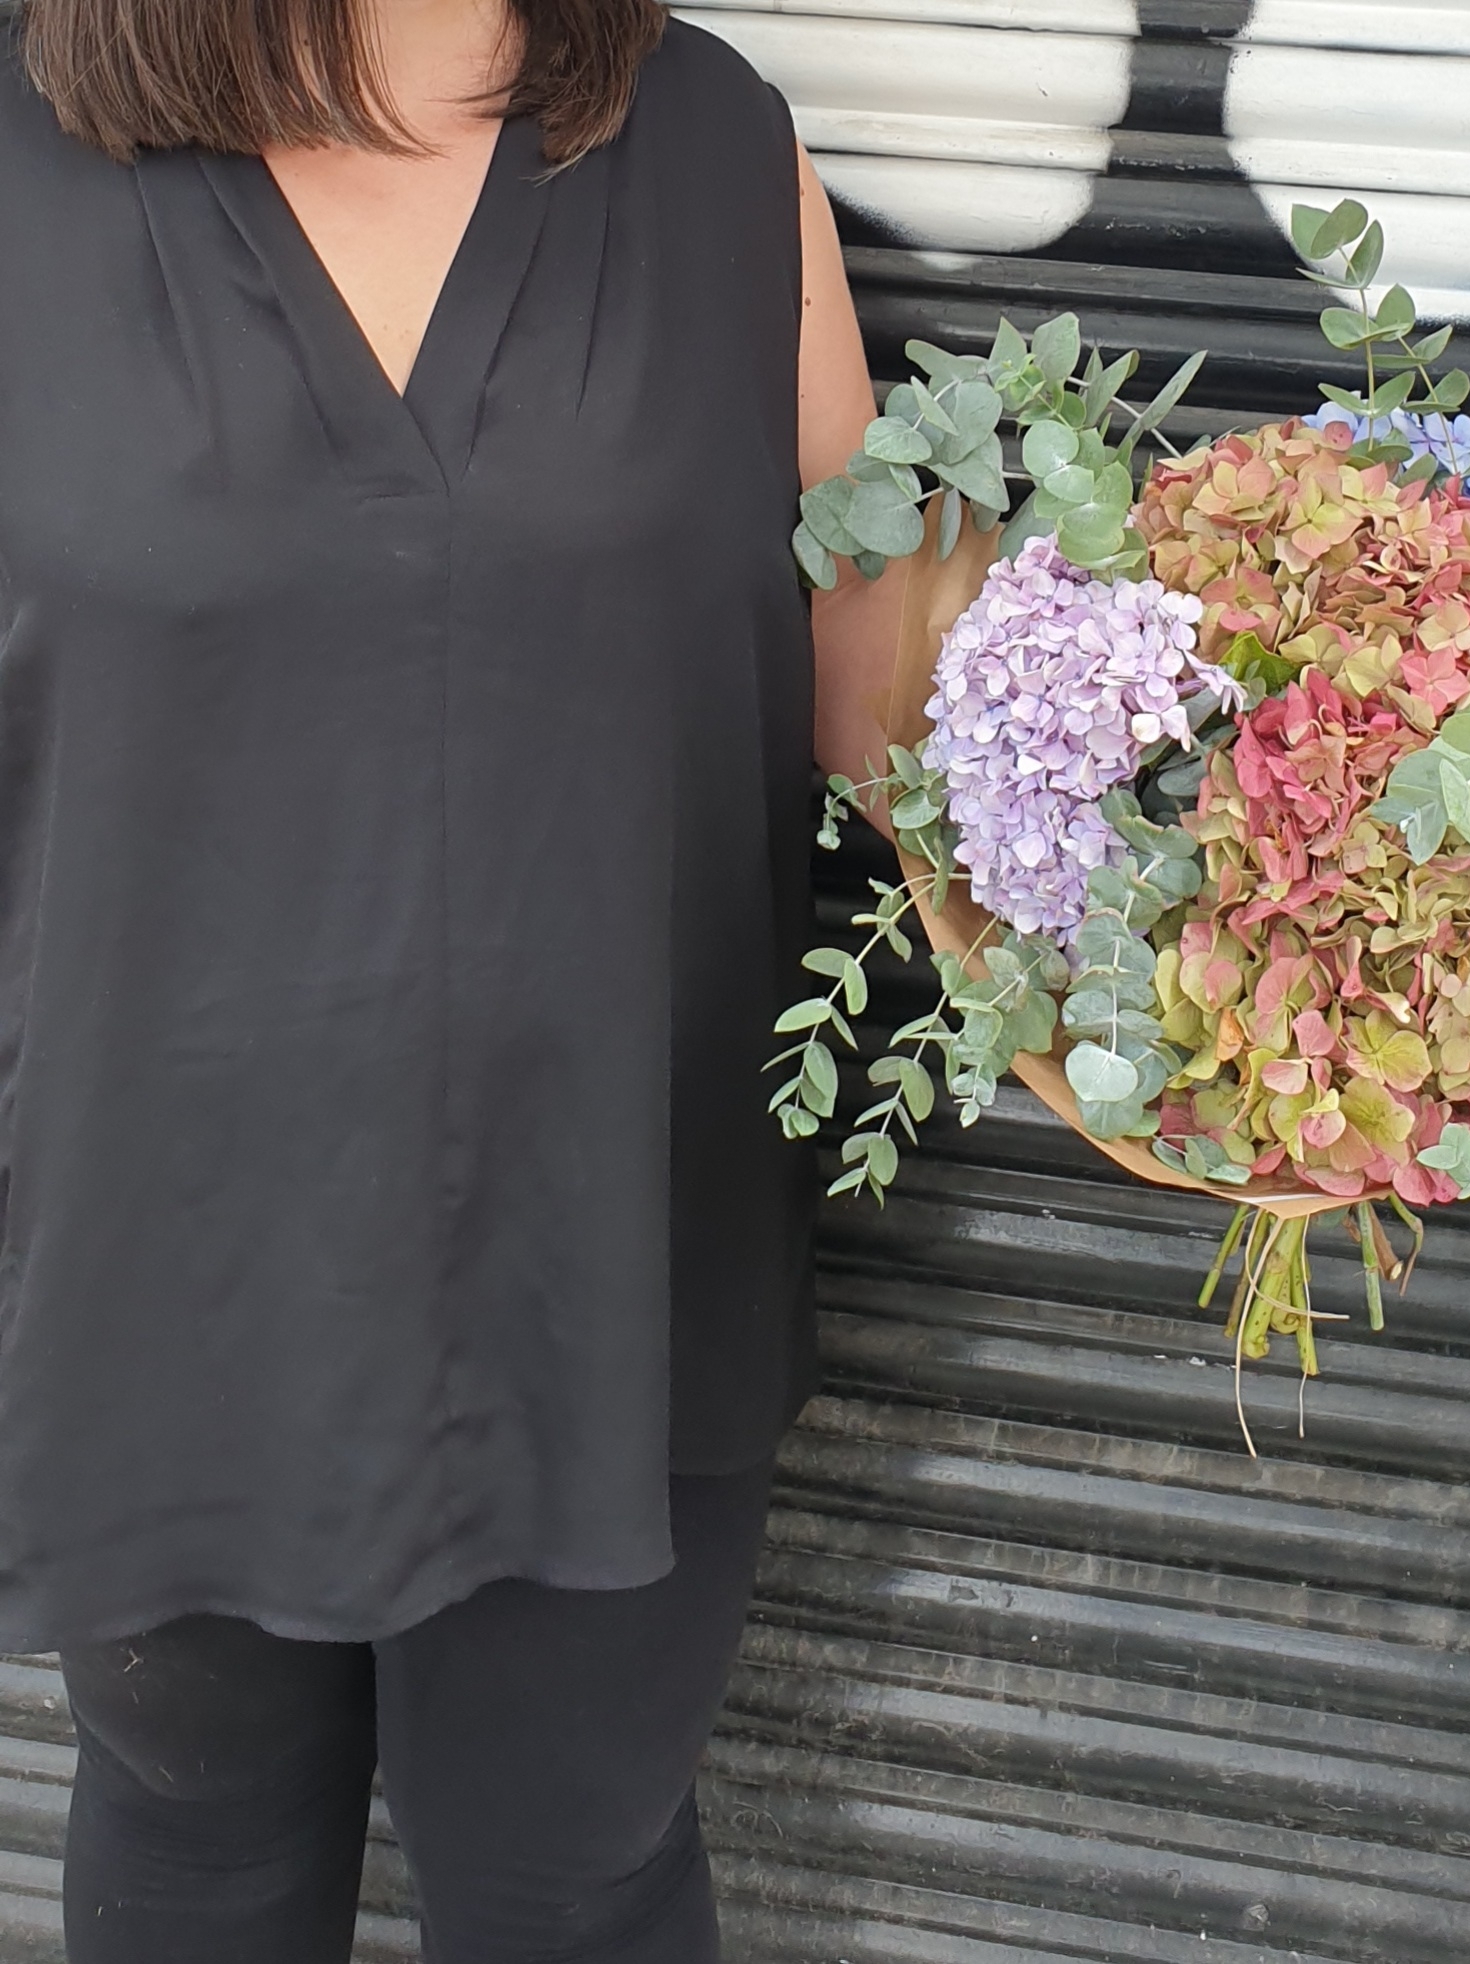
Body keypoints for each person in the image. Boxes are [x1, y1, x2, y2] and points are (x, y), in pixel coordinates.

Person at [0, 0, 902, 1956]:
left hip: (607, 1253)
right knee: (195, 1838)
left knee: (572, 1870)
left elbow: (897, 706)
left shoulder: (717, 152)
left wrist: (1264, 857)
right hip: (155, 1262)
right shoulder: (21, 160)